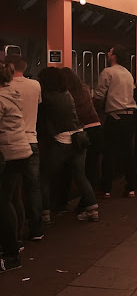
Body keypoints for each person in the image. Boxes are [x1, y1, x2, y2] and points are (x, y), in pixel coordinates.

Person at [38, 67, 99, 223]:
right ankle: (92, 210)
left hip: (62, 140)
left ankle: (44, 213)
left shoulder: (46, 97)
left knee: (43, 177)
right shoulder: (67, 94)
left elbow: (43, 121)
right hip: (79, 137)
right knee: (80, 175)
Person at [5, 54, 43, 242]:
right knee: (33, 187)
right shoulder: (35, 85)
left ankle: (15, 236)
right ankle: (37, 228)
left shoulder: (6, 89)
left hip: (12, 144)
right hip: (31, 141)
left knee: (12, 194)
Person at [0, 60, 33, 272]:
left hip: (8, 153)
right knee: (11, 199)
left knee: (3, 203)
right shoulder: (11, 92)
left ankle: (11, 255)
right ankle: (16, 245)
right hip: (21, 150)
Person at [93, 46, 137, 198]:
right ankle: (131, 187)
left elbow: (99, 94)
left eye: (110, 52)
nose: (107, 53)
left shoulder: (108, 72)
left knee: (108, 153)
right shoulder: (128, 74)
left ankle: (106, 189)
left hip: (115, 117)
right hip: (130, 117)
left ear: (114, 56)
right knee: (128, 153)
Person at [59, 67, 104, 209]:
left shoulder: (67, 94)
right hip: (97, 128)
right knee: (91, 168)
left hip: (83, 132)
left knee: (78, 170)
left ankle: (85, 203)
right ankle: (88, 200)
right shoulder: (83, 88)